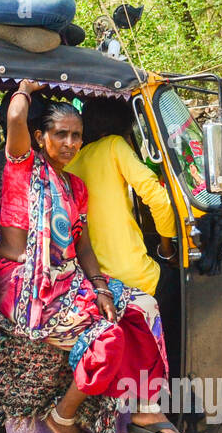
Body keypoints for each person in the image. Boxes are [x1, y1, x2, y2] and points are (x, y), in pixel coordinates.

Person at [0, 80, 186, 433]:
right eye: (60, 134)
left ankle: (146, 408)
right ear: (39, 137)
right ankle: (61, 419)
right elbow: (16, 117)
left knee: (144, 307)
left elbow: (82, 245)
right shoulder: (23, 167)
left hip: (69, 283)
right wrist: (25, 86)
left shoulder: (76, 186)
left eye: (76, 136)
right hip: (28, 288)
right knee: (108, 336)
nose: (69, 143)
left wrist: (99, 287)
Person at [64, 95, 179, 350]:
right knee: (177, 285)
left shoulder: (71, 163)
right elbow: (159, 200)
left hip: (94, 278)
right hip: (133, 275)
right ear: (123, 127)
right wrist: (167, 248)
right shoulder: (114, 146)